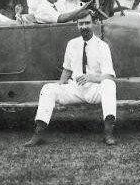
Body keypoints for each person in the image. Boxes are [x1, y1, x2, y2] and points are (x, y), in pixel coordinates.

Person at [24, 14, 118, 147]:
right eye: (81, 24)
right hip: (75, 88)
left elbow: (109, 76)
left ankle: (108, 133)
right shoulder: (72, 44)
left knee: (109, 84)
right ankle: (38, 134)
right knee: (48, 89)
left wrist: (90, 78)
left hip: (94, 90)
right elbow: (67, 70)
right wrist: (59, 89)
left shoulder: (102, 46)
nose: (84, 26)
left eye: (87, 23)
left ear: (93, 23)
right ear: (77, 25)